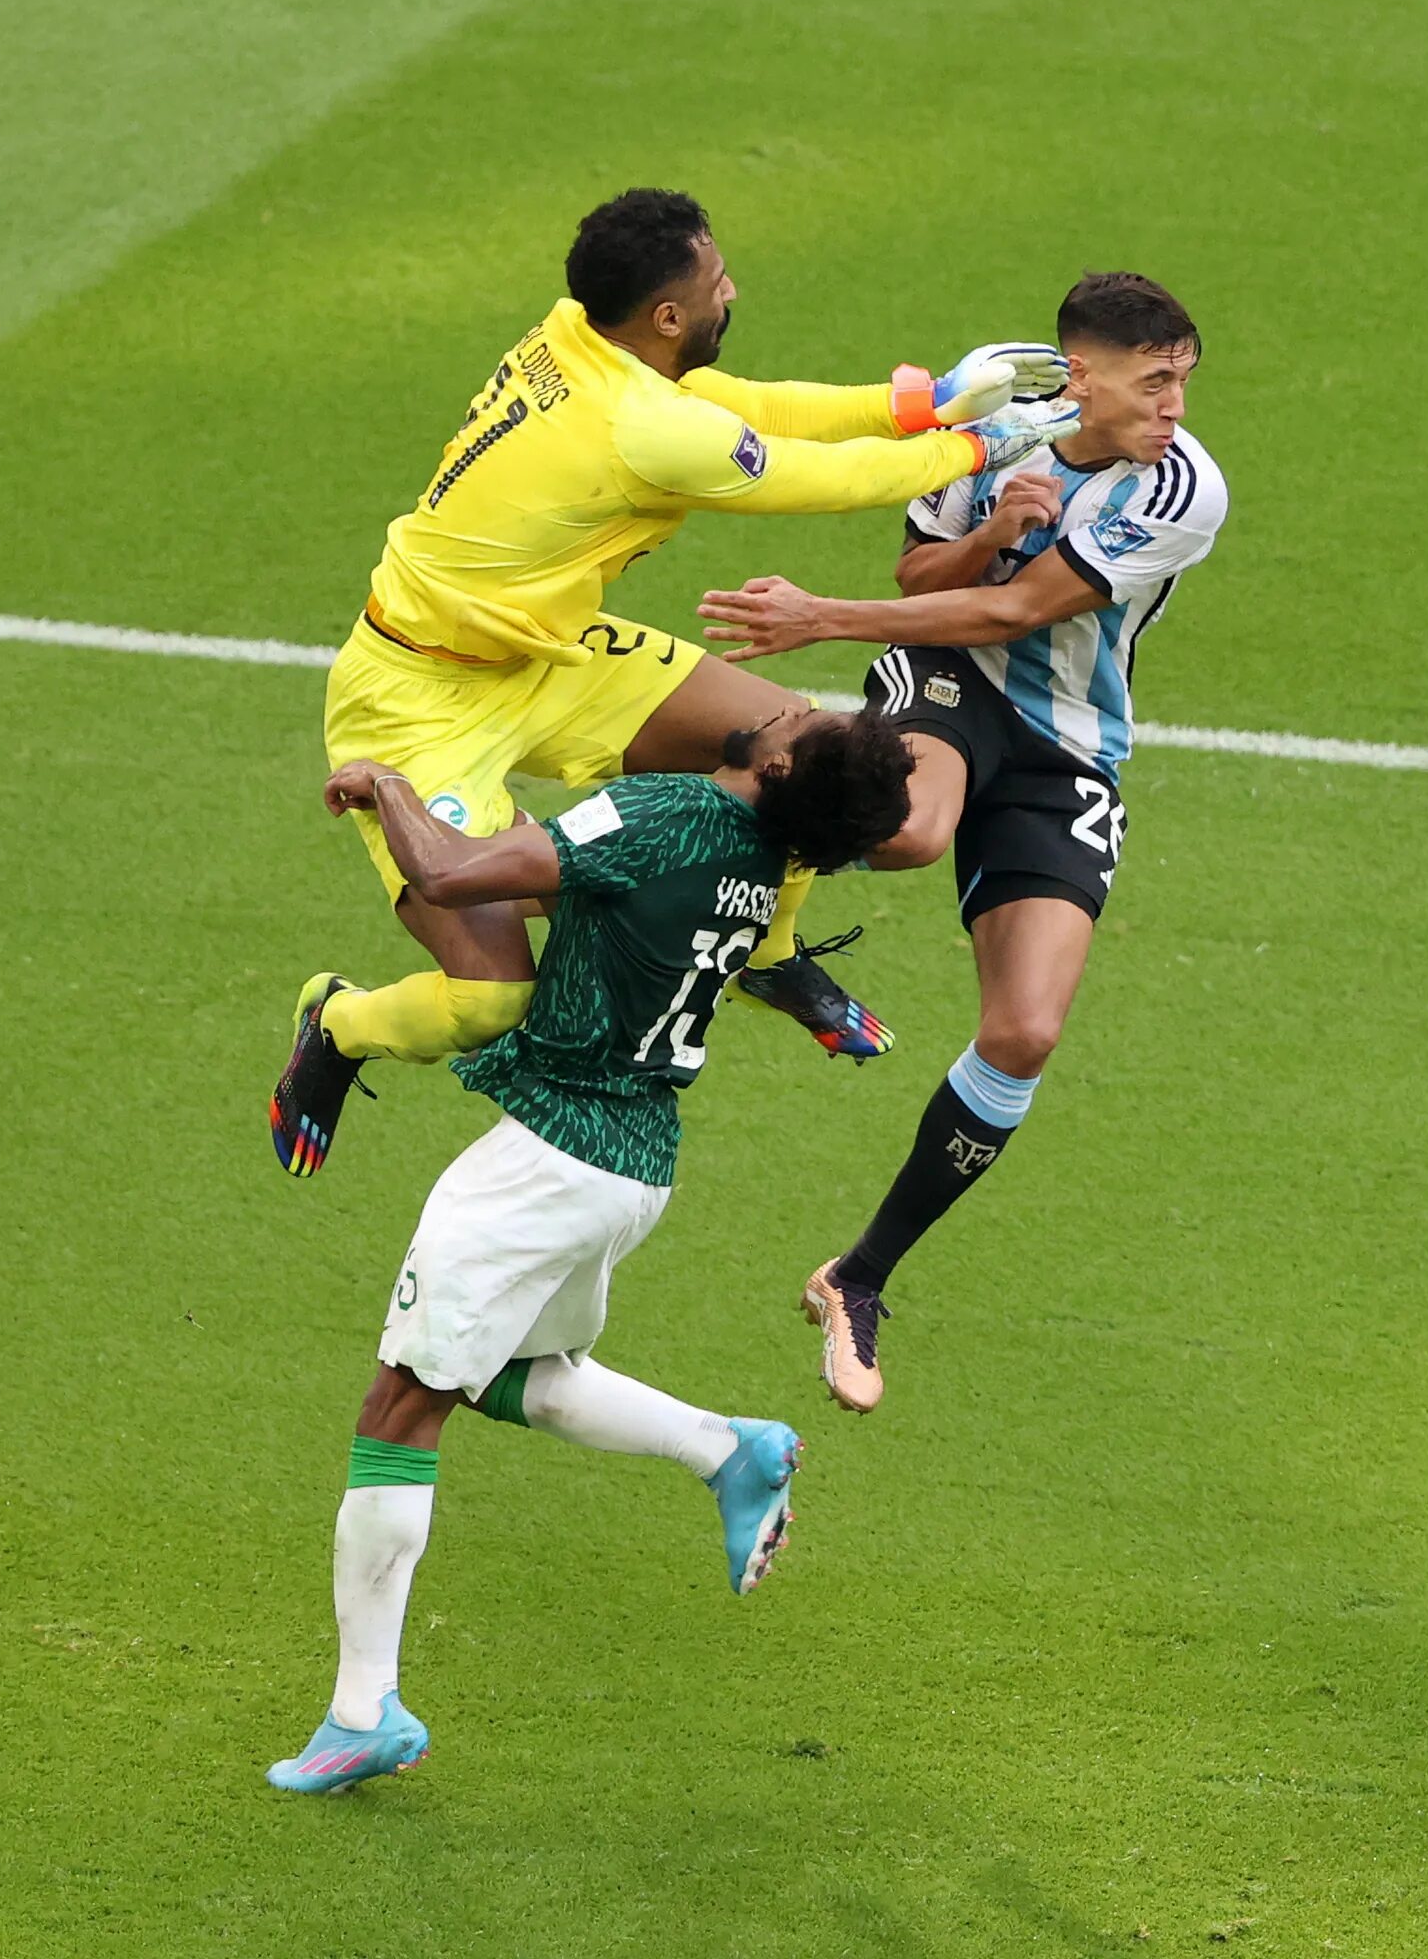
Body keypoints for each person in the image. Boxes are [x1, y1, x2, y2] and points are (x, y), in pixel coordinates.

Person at [271, 188, 1072, 1181]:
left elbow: (752, 404)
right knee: (490, 1003)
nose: (730, 291)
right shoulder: (637, 425)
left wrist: (934, 396)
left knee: (805, 742)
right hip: (414, 699)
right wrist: (985, 445)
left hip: (548, 651)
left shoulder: (582, 336)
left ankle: (763, 951)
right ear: (665, 317)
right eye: (715, 284)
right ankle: (340, 1023)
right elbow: (813, 477)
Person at [264, 703, 917, 1791]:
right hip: (636, 1160)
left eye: (803, 714)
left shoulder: (669, 815)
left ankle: (361, 1707)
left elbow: (457, 875)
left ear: (781, 761)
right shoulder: (762, 863)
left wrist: (388, 790)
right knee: (516, 1373)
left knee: (400, 1405)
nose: (784, 701)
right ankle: (729, 1449)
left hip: (550, 1160)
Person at [696, 274, 1228, 1413]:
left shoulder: (1184, 487)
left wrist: (820, 616)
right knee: (909, 829)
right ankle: (737, 850)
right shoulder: (1000, 405)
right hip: (946, 686)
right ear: (1081, 375)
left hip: (1068, 747)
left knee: (1025, 1030)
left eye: (1184, 378)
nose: (1175, 404)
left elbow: (1012, 611)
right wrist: (990, 524)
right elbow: (924, 579)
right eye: (1154, 381)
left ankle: (857, 1276)